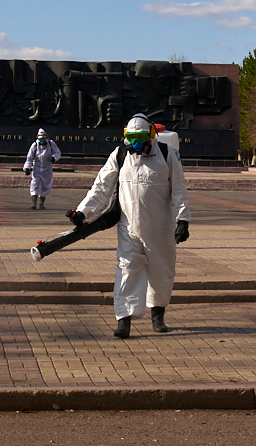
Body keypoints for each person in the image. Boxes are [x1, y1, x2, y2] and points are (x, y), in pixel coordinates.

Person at [71, 114, 190, 338]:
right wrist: (82, 212)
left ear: (151, 136)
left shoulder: (167, 155)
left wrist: (183, 219)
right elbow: (101, 186)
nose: (136, 144)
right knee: (126, 270)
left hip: (160, 227)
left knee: (161, 271)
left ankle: (158, 315)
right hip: (128, 227)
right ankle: (123, 320)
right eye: (132, 138)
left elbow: (179, 188)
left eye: (140, 138)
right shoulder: (120, 154)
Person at [23, 128, 61, 210]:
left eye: (43, 139)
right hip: (37, 168)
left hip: (47, 169)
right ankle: (33, 203)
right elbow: (29, 158)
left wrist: (54, 158)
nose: (42, 141)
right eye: (41, 140)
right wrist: (27, 168)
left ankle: (41, 203)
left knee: (45, 185)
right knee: (35, 184)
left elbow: (57, 152)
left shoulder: (51, 144)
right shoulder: (34, 145)